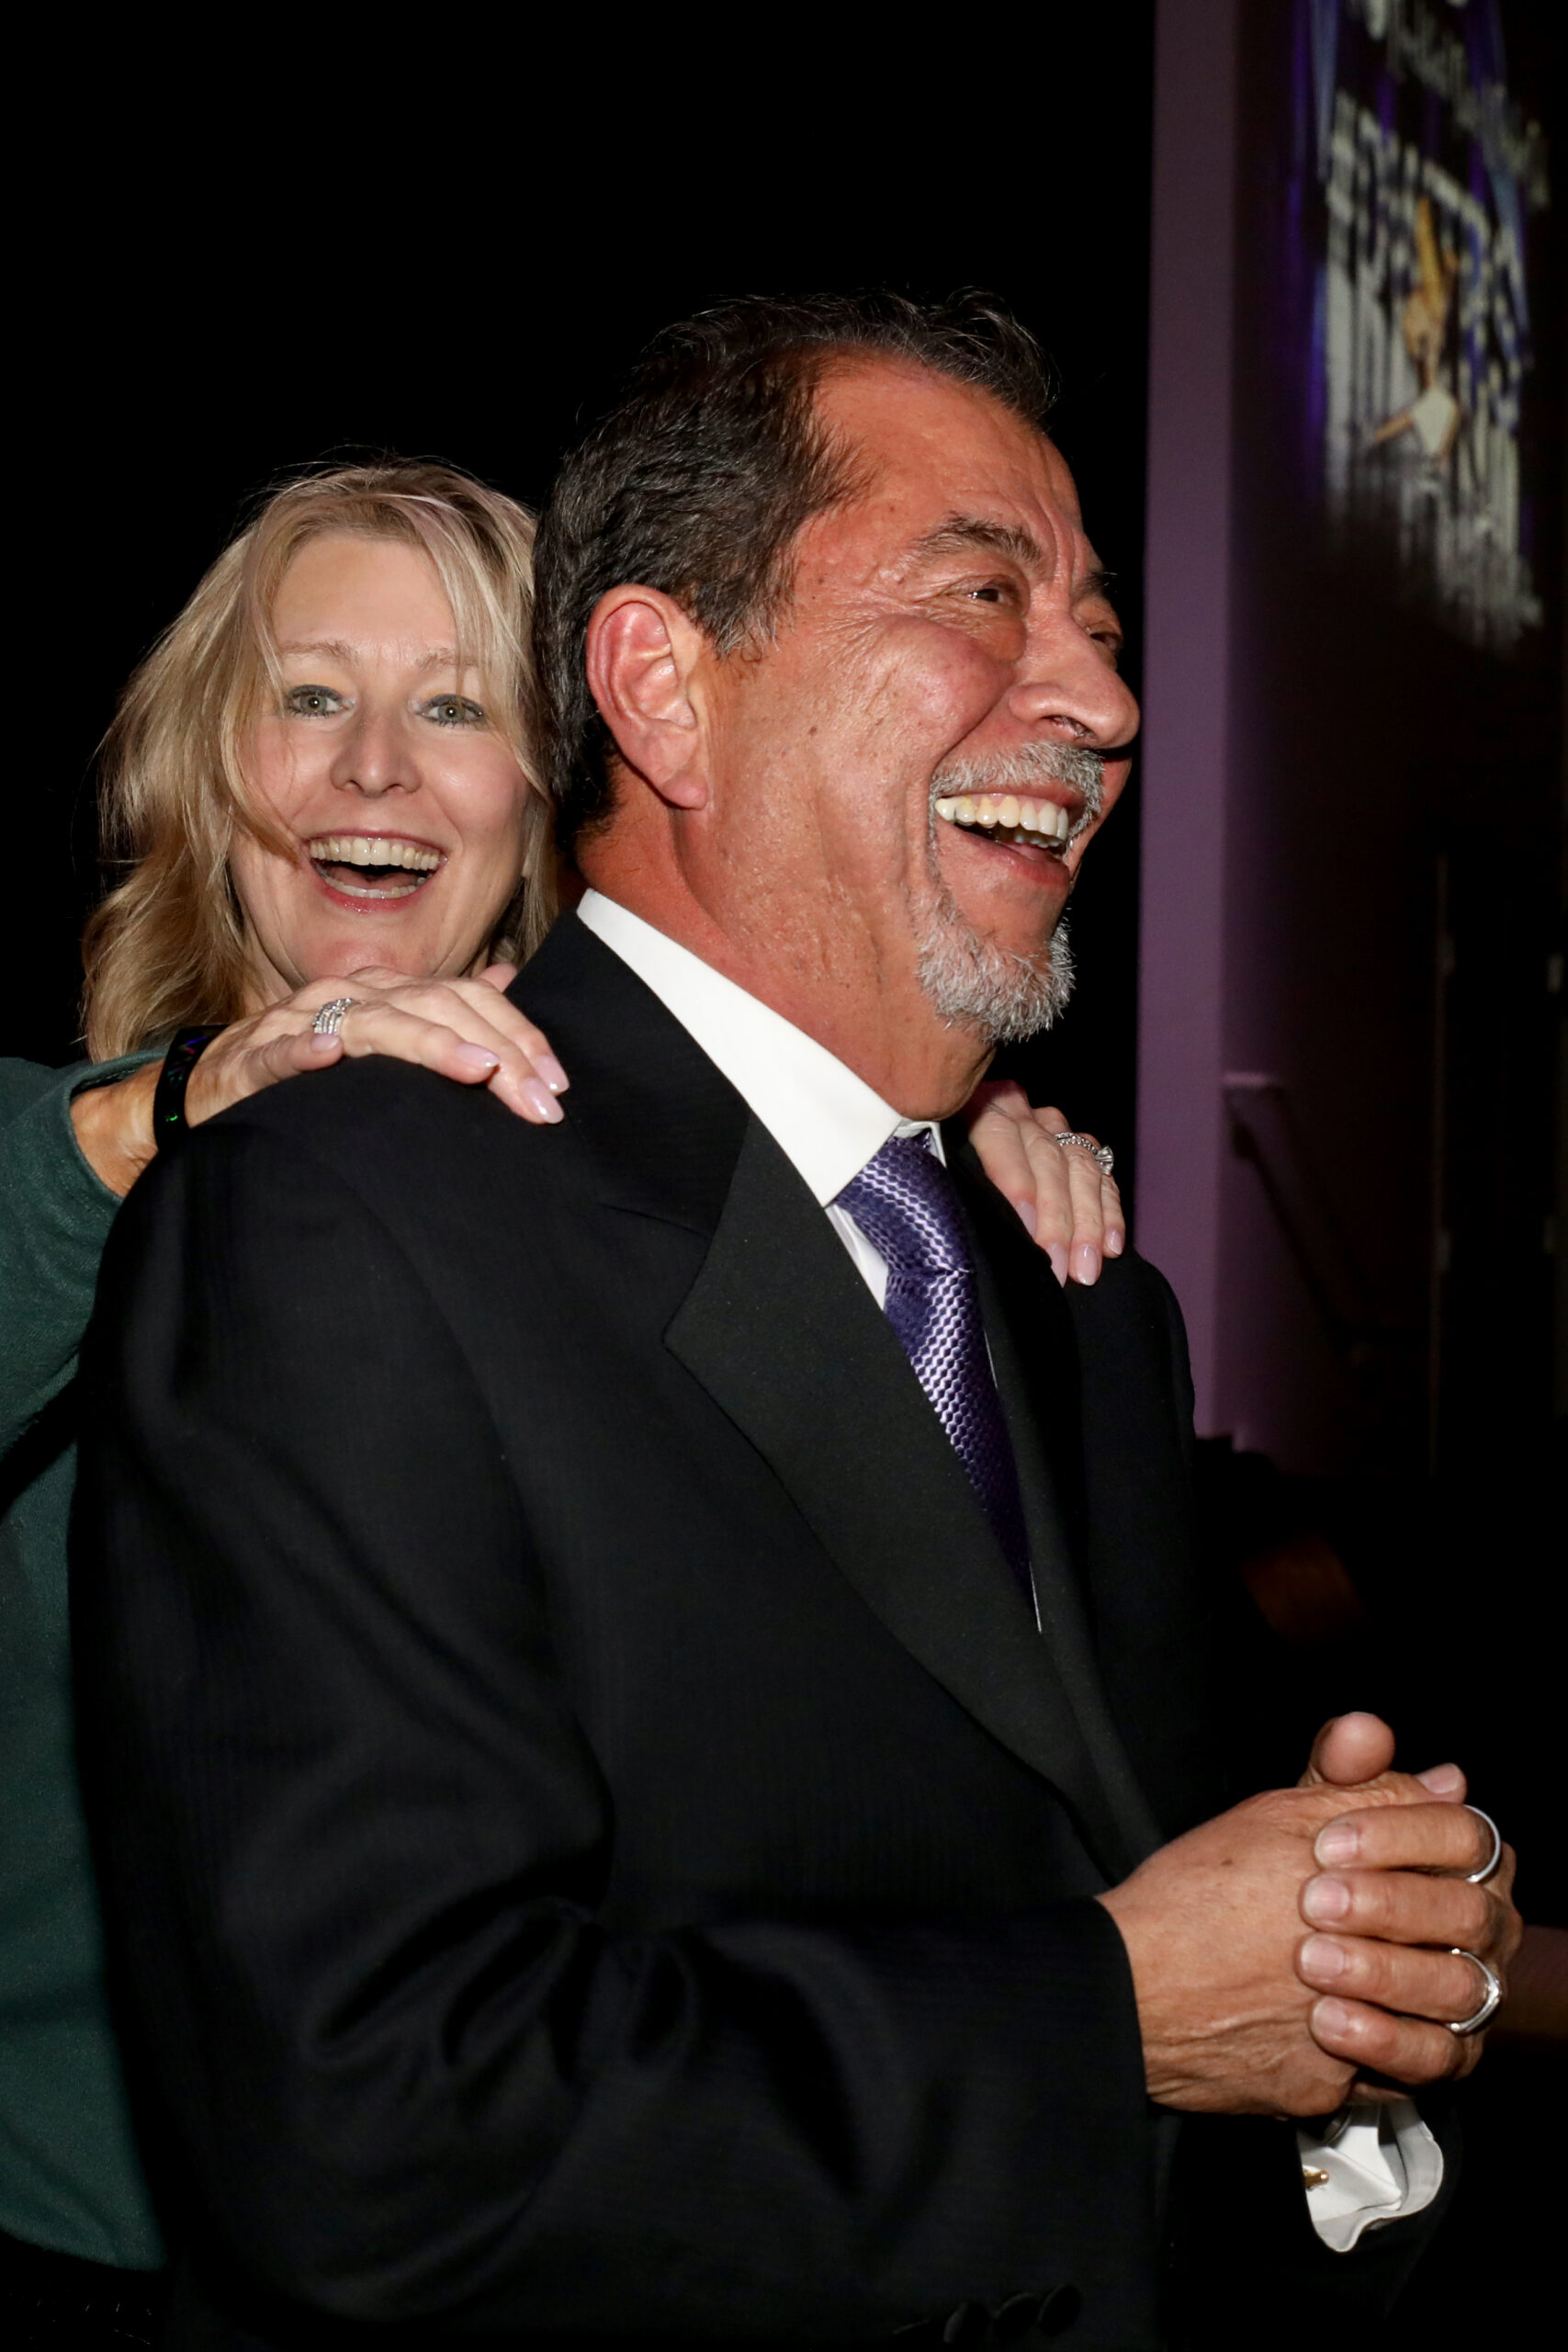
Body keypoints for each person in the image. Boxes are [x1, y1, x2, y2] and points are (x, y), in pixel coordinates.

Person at [72, 294, 1517, 2350]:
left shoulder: (1083, 1302)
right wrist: (1112, 2011)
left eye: (1097, 625)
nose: (1099, 698)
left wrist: (1342, 2027)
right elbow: (373, 2127)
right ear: (665, 689)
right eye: (982, 595)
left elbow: (1156, 2001)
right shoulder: (342, 1218)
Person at [3, 455, 1116, 2345]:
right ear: (205, 766)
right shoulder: (66, 1150)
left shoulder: (644, 1232)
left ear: (552, 777)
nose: (374, 768)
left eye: (452, 709)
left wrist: (917, 1172)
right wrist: (167, 1111)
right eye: (309, 695)